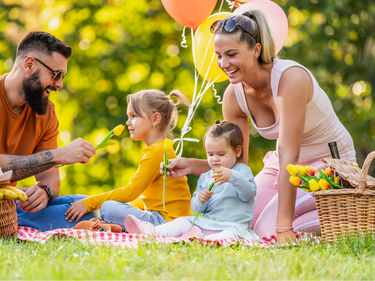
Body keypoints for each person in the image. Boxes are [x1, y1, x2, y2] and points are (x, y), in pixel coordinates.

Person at [162, 10, 356, 242]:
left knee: (267, 230)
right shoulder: (234, 96)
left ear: (256, 50)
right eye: (219, 55)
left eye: (231, 54)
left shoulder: (290, 79)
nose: (224, 64)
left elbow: (289, 155)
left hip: (328, 164)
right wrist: (193, 165)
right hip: (281, 166)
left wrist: (283, 228)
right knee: (244, 222)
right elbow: (236, 165)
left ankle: (351, 220)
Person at [0, 31, 99, 231]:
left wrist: (44, 192)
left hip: (9, 202)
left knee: (85, 206)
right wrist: (59, 155)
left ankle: (14, 223)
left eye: (62, 76)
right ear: (29, 65)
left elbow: (51, 178)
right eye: (55, 74)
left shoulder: (46, 113)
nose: (59, 84)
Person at [65, 89, 192, 231]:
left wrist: (88, 203)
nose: (127, 122)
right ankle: (115, 227)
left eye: (134, 116)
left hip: (164, 222)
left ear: (155, 119)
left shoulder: (157, 152)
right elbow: (144, 199)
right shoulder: (160, 148)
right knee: (111, 205)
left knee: (108, 208)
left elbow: (130, 192)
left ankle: (119, 227)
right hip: (166, 218)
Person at [125, 120, 259, 241]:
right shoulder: (206, 176)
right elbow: (195, 207)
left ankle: (203, 240)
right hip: (208, 222)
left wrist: (232, 177)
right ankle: (151, 232)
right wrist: (201, 199)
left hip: (233, 227)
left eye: (221, 154)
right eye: (210, 154)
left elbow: (249, 194)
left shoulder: (241, 171)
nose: (215, 159)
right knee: (183, 221)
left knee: (228, 236)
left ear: (238, 151)